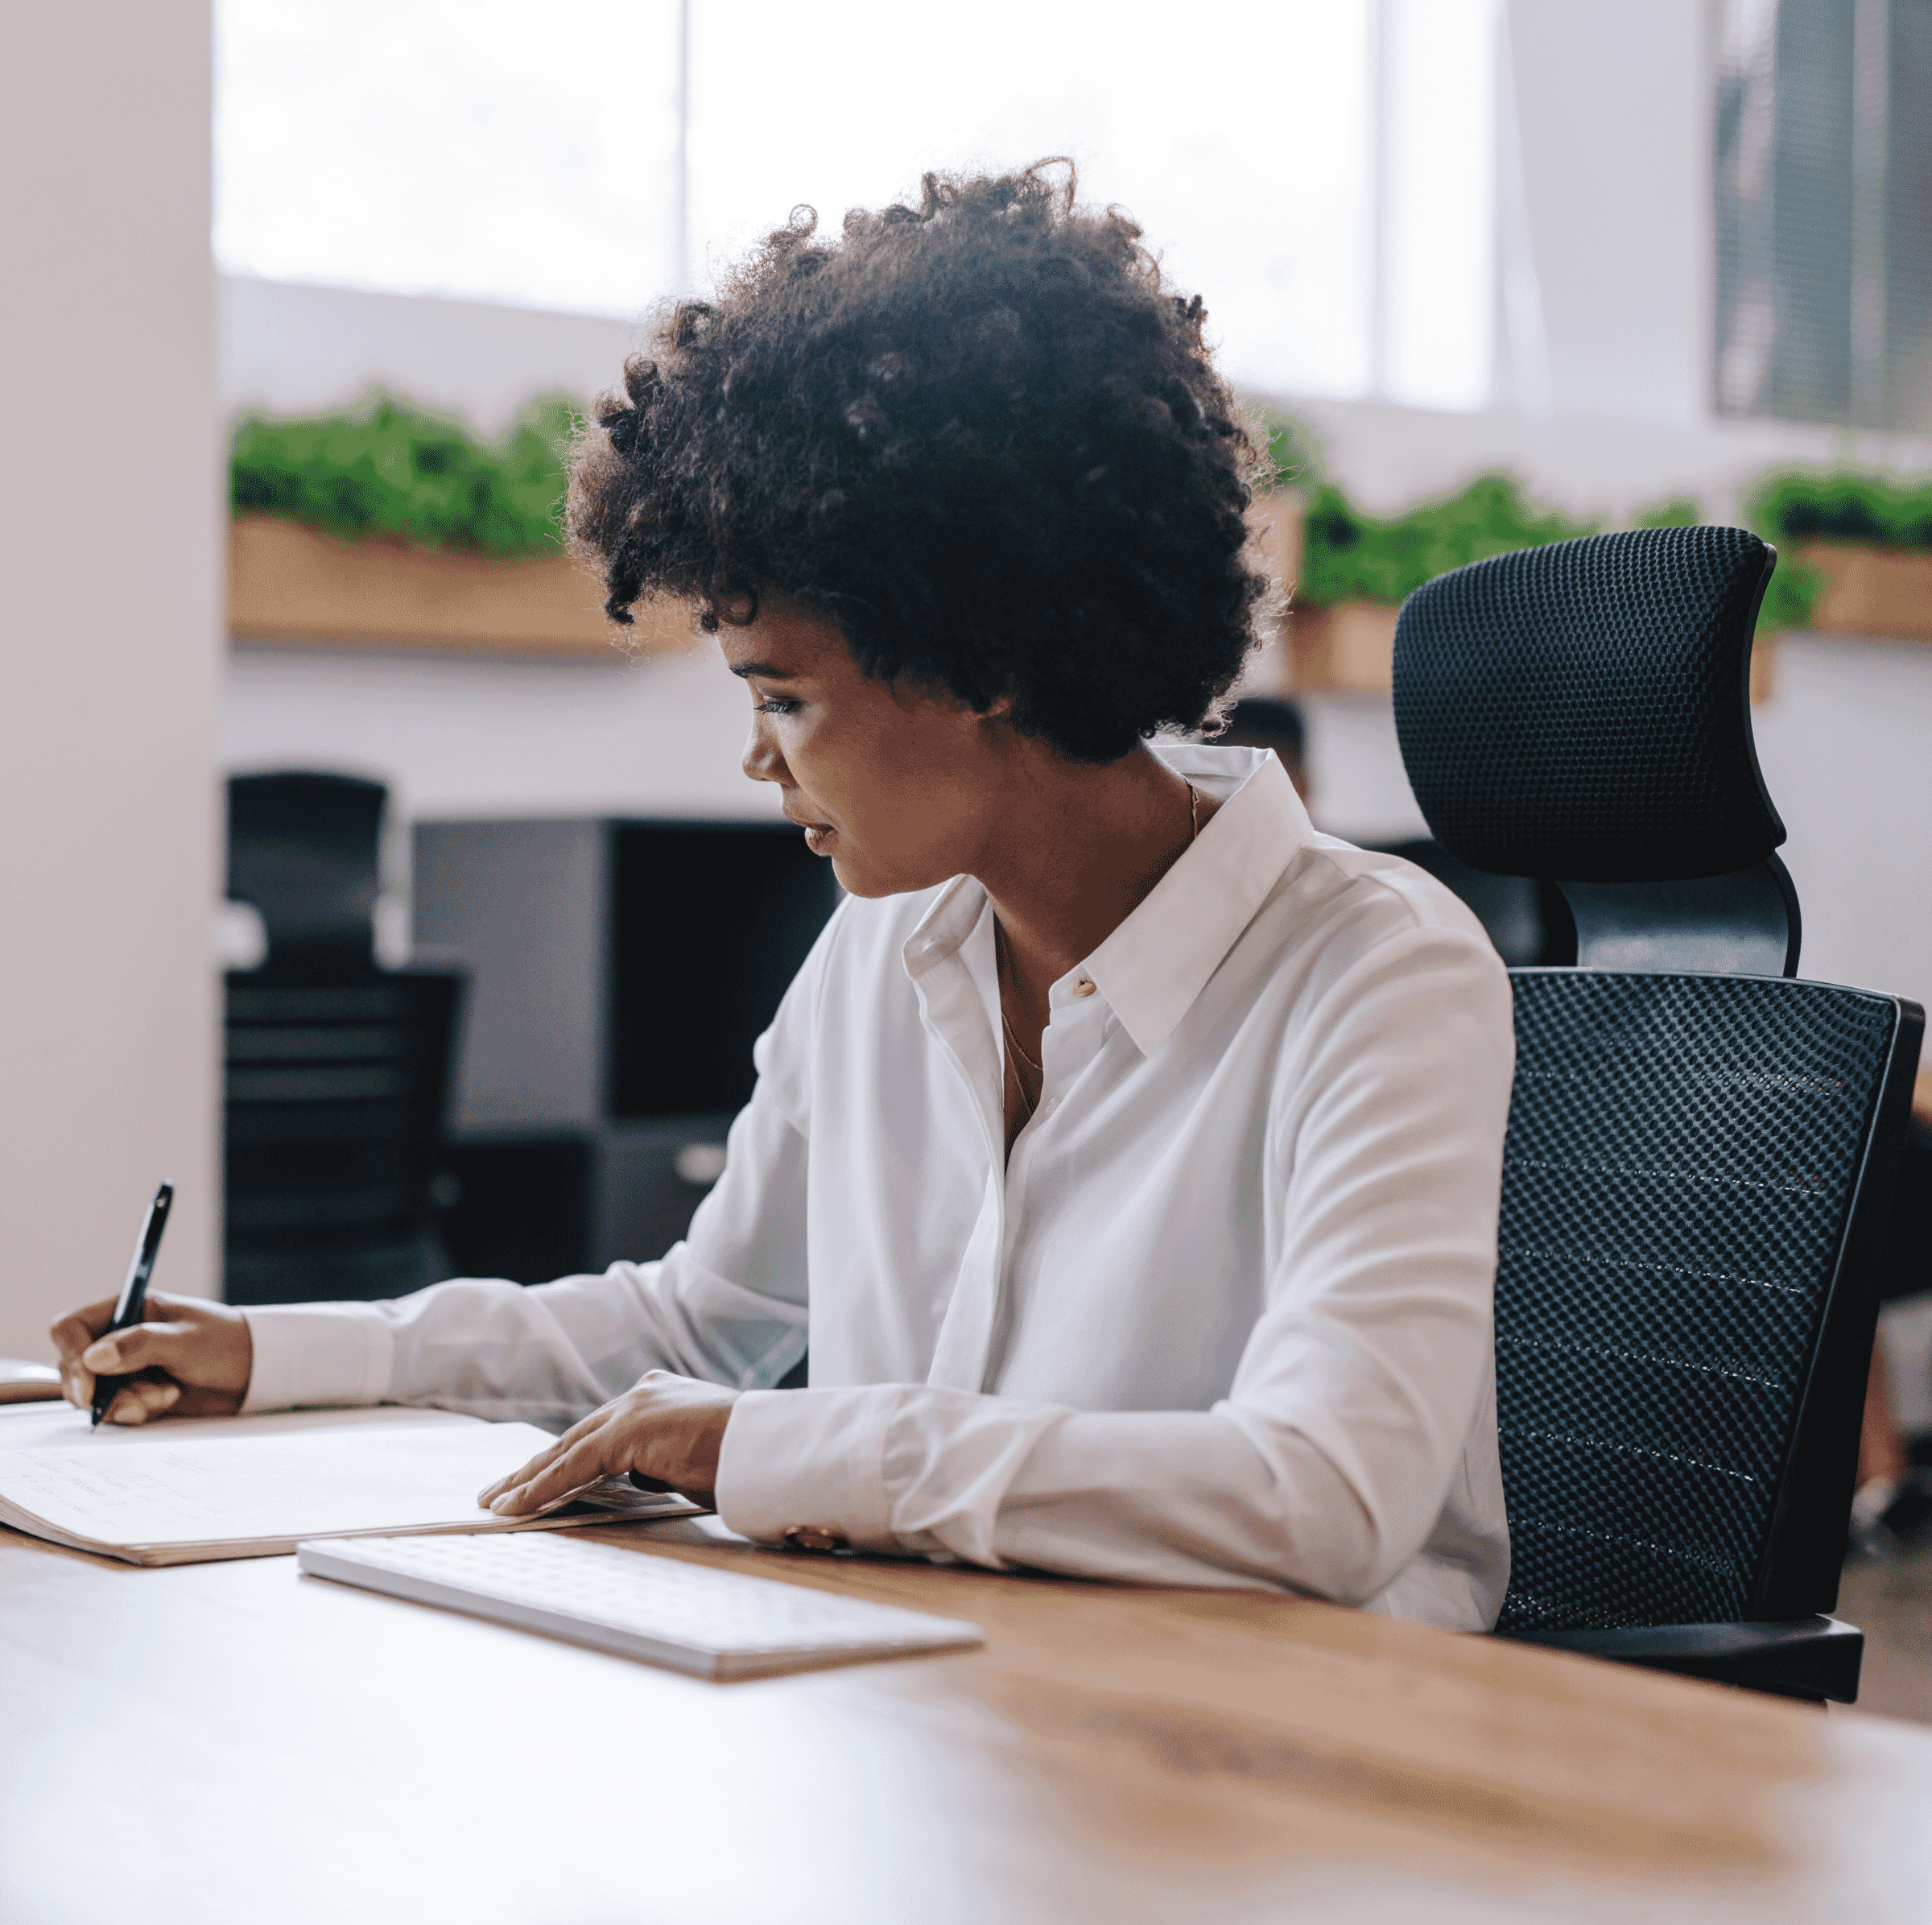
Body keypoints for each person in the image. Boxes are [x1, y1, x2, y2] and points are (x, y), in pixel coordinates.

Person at [52, 164, 1515, 1627]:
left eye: (785, 697)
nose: (756, 758)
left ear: (980, 659)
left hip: (1295, 1773)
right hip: (968, 1714)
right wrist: (281, 1353)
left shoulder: (1376, 978)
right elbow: (697, 1323)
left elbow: (1324, 1496)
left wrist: (783, 1447)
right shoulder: (884, 946)